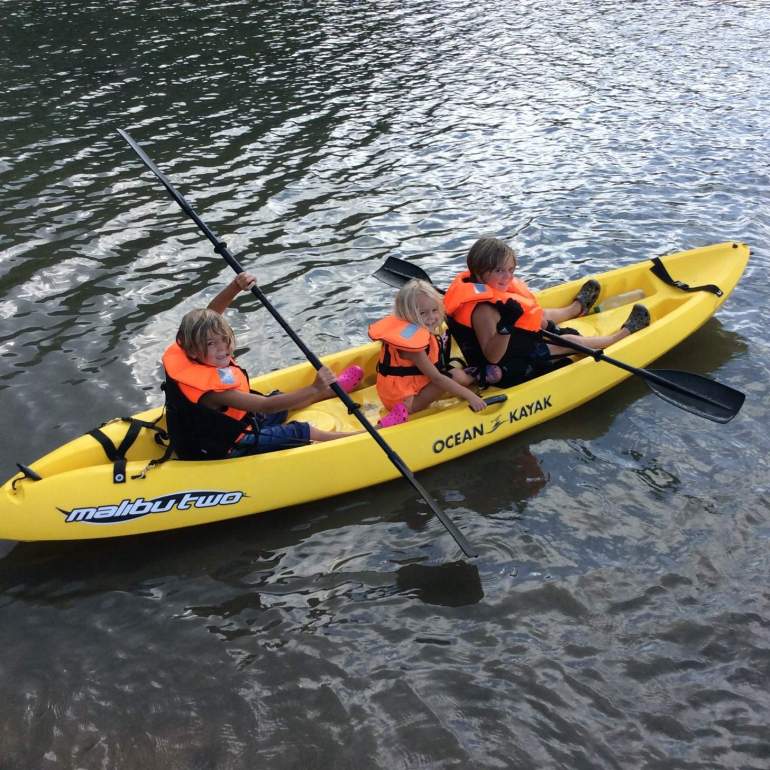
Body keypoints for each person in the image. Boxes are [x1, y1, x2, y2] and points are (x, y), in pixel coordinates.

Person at [162, 272, 364, 459]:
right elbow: (265, 406)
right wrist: (313, 386)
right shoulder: (213, 392)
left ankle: (331, 391)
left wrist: (235, 286)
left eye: (224, 339)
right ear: (192, 349)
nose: (222, 348)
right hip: (226, 445)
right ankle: (357, 437)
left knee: (278, 398)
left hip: (235, 422)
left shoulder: (188, 347)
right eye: (210, 344)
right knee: (300, 429)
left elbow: (211, 314)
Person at [444, 237, 650, 388]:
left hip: (512, 345)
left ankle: (576, 309)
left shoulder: (480, 290)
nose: (508, 277)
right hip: (508, 368)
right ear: (479, 272)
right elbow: (493, 356)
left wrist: (516, 321)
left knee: (537, 317)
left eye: (511, 270)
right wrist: (507, 323)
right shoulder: (483, 311)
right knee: (566, 341)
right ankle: (619, 336)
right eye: (499, 271)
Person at [368, 278, 488, 427]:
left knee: (454, 372)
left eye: (435, 310)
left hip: (394, 393)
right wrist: (470, 397)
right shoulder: (412, 347)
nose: (431, 317)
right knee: (455, 376)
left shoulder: (410, 333)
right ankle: (481, 376)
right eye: (423, 313)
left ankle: (473, 374)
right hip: (407, 403)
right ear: (406, 314)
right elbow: (437, 379)